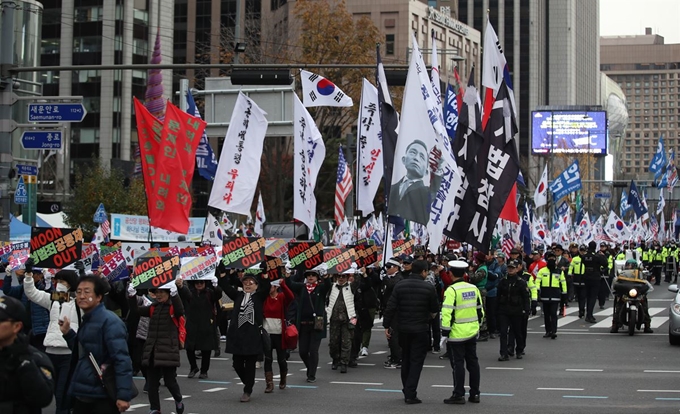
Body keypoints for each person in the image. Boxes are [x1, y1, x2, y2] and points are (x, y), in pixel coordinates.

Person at [60, 275, 134, 413]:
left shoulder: (110, 322)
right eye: (79, 292)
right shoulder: (88, 319)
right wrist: (68, 333)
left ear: (99, 297)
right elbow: (85, 350)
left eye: (87, 292)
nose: (81, 296)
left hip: (102, 395)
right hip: (85, 392)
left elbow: (122, 360)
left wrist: (123, 395)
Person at [383, 259, 439, 404]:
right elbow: (434, 309)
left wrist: (386, 325)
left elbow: (390, 306)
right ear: (424, 272)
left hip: (403, 328)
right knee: (416, 362)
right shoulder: (428, 288)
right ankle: (410, 392)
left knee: (406, 359)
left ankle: (406, 388)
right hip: (420, 329)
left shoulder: (400, 285)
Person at [23, 268, 79, 414]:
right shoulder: (55, 298)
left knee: (63, 394)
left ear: (71, 283)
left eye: (62, 281)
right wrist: (28, 274)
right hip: (50, 352)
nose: (58, 284)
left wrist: (84, 276)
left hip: (68, 353)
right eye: (57, 281)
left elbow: (100, 294)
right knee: (53, 391)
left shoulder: (80, 301)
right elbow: (32, 293)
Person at [127, 278, 185, 414]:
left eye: (162, 292)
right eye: (156, 292)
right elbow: (135, 310)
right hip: (152, 350)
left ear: (168, 293)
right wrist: (131, 295)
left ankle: (178, 399)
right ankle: (155, 408)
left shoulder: (172, 307)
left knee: (170, 382)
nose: (158, 295)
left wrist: (175, 294)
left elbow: (180, 310)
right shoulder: (153, 308)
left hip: (168, 350)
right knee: (152, 384)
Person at [219, 270, 271, 402]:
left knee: (250, 364)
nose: (248, 284)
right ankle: (248, 382)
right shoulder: (238, 295)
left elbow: (267, 288)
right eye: (245, 282)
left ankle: (247, 390)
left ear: (256, 285)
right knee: (236, 364)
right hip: (237, 336)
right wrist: (223, 275)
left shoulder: (259, 297)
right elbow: (225, 287)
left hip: (252, 336)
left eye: (251, 282)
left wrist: (265, 275)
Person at [0, 295, 55, 414]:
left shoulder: (34, 358)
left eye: (1, 319)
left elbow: (43, 398)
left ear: (16, 326)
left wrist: (23, 362)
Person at [441, 260, 483, 405]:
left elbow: (447, 312)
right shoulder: (473, 288)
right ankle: (475, 393)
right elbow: (480, 310)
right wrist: (477, 326)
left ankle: (458, 394)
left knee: (458, 365)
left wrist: (444, 332)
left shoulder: (451, 290)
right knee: (473, 363)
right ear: (464, 273)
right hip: (471, 331)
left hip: (456, 334)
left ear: (451, 274)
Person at [286, 269, 331, 383]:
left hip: (317, 324)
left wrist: (326, 276)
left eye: (313, 275)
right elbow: (290, 284)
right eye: (308, 275)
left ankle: (311, 374)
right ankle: (310, 368)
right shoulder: (302, 287)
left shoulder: (320, 288)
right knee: (303, 352)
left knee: (313, 350)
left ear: (317, 277)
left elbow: (328, 285)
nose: (310, 277)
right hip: (303, 324)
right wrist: (287, 275)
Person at [388, 140, 443, 225]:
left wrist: (438, 169)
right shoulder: (392, 188)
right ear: (403, 159)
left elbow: (434, 191)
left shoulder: (426, 192)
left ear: (426, 171)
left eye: (422, 157)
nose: (416, 158)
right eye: (413, 152)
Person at [183, 279, 223, 379]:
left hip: (206, 324)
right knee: (189, 347)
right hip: (192, 324)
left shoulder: (210, 293)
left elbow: (218, 294)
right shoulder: (190, 293)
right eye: (197, 283)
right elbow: (182, 293)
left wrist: (215, 285)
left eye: (202, 283)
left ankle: (204, 371)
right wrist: (180, 286)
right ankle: (193, 367)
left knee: (206, 349)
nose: (199, 285)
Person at [262, 276, 295, 392]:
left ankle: (283, 378)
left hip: (279, 333)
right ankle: (269, 383)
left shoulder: (281, 297)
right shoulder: (264, 298)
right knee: (268, 358)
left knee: (281, 359)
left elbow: (291, 297)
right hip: (267, 333)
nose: (269, 288)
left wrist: (283, 284)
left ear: (276, 287)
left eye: (271, 286)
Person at [496, 260, 530, 361]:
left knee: (517, 331)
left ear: (516, 269)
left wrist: (526, 310)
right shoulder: (503, 281)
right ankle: (504, 353)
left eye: (513, 268)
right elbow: (498, 296)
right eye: (509, 268)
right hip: (504, 310)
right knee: (503, 332)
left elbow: (525, 298)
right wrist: (496, 310)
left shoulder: (521, 282)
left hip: (516, 310)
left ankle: (519, 350)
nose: (510, 270)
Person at [610, 259, 654, 333]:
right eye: (628, 265)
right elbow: (615, 283)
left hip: (637, 293)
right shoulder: (622, 274)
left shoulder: (640, 274)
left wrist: (645, 290)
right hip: (625, 294)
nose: (629, 267)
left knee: (644, 306)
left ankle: (647, 325)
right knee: (618, 306)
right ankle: (615, 324)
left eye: (631, 265)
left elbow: (646, 283)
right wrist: (616, 288)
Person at [326, 270, 357, 374]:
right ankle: (335, 359)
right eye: (339, 276)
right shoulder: (332, 287)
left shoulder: (351, 287)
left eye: (343, 276)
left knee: (346, 342)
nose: (341, 278)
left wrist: (360, 272)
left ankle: (344, 363)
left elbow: (361, 283)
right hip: (334, 319)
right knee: (333, 342)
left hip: (347, 319)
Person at [536, 252, 567, 339]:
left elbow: (563, 283)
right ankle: (548, 331)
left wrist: (564, 294)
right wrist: (538, 291)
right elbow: (537, 281)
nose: (551, 260)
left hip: (555, 295)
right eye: (550, 259)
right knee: (546, 314)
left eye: (553, 259)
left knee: (553, 314)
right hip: (545, 295)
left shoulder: (559, 271)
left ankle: (554, 331)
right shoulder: (542, 271)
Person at [380, 258, 403, 368]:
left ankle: (397, 359)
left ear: (396, 268)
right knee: (390, 335)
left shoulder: (399, 278)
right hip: (388, 309)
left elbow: (391, 285)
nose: (387, 269)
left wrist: (385, 278)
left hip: (395, 311)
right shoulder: (390, 278)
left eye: (389, 267)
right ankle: (394, 356)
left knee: (393, 335)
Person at [581, 241, 608, 323]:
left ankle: (588, 314)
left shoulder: (584, 256)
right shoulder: (597, 256)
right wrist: (603, 256)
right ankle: (589, 315)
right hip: (595, 277)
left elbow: (583, 262)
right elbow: (605, 264)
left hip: (586, 276)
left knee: (588, 296)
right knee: (593, 297)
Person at [569, 245, 587, 318]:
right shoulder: (575, 259)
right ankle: (580, 309)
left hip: (584, 277)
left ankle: (582, 310)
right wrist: (569, 273)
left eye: (583, 250)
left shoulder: (587, 258)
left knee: (583, 296)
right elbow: (571, 266)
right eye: (581, 250)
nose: (582, 252)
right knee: (578, 296)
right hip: (576, 278)